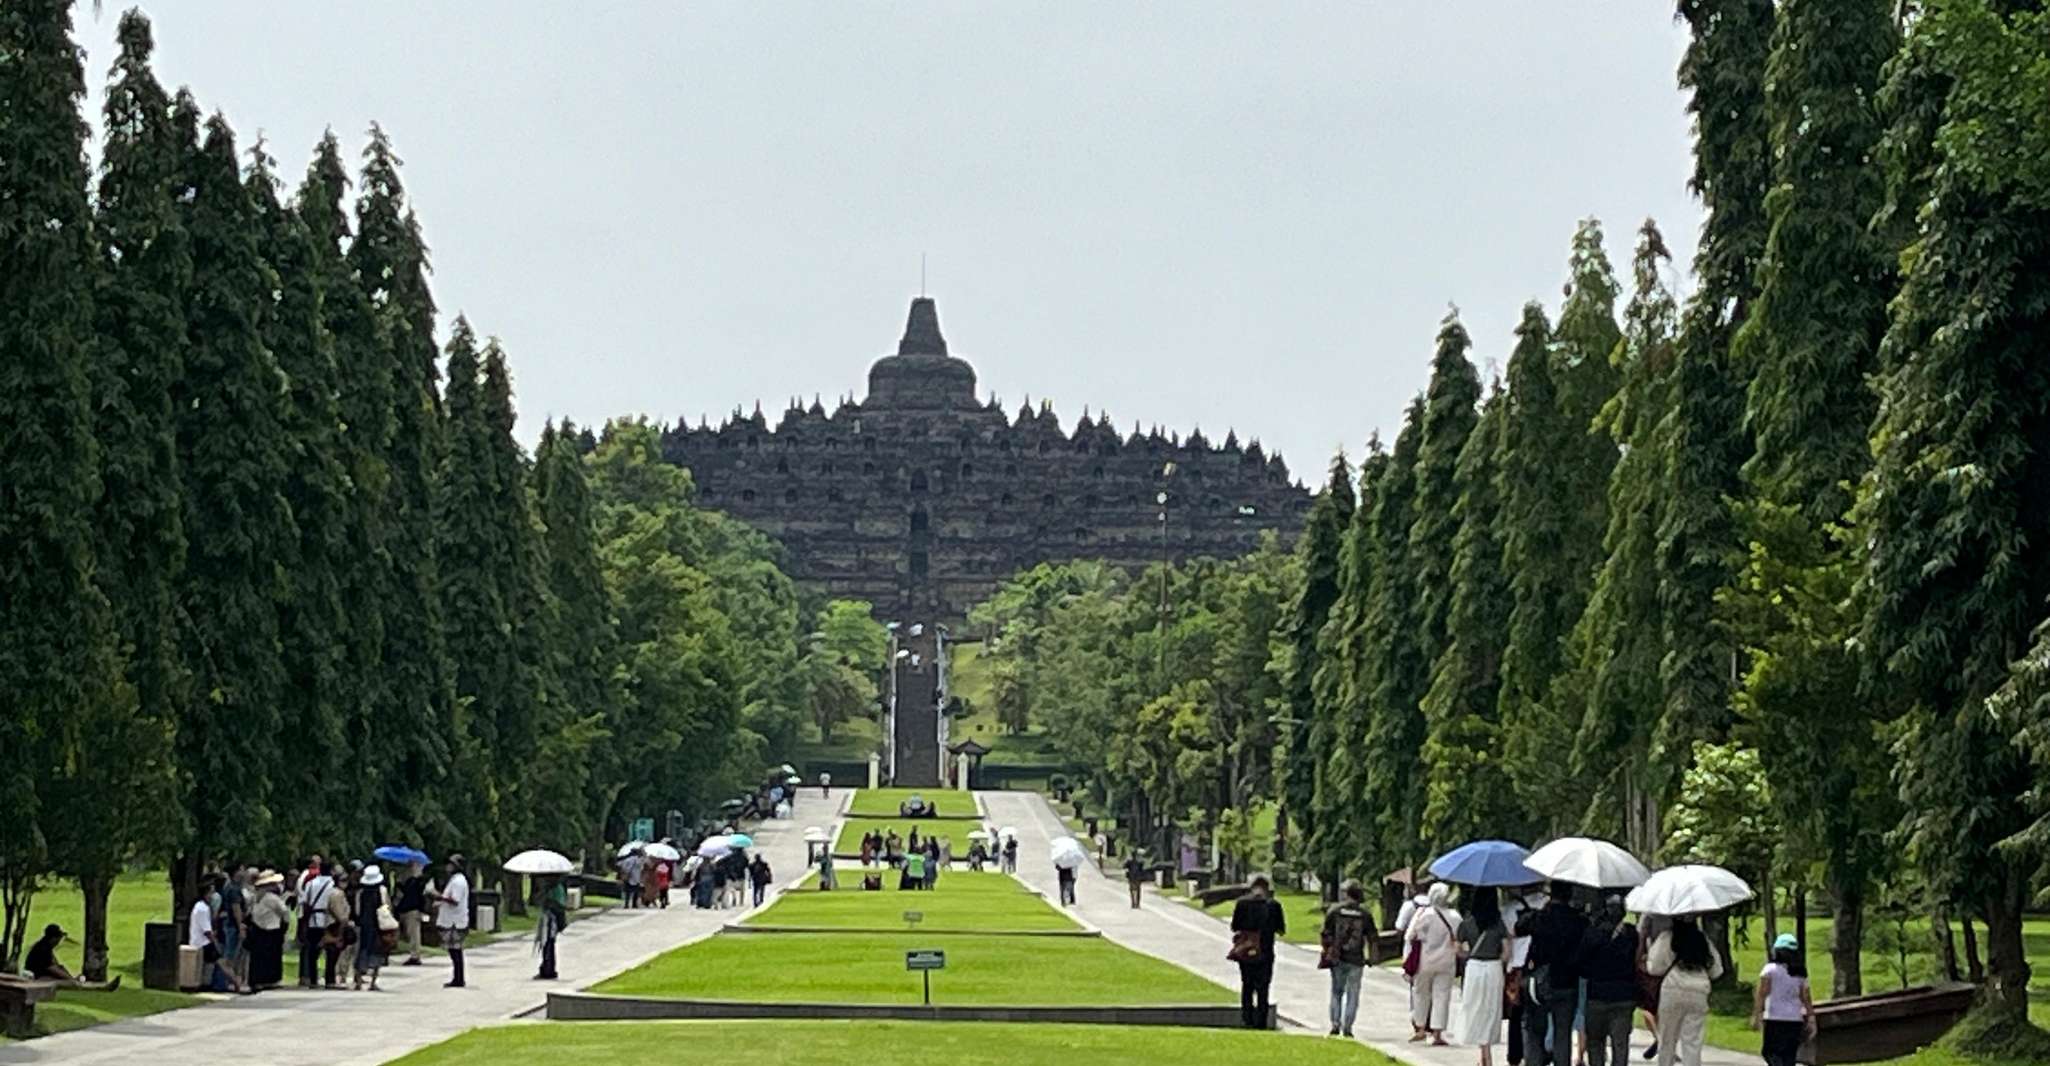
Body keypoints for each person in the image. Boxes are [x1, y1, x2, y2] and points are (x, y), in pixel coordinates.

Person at [1644, 917, 1723, 1066]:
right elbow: (1717, 970)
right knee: (1693, 1041)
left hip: (1673, 988)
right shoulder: (1702, 939)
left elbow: (1654, 968)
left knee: (1667, 1039)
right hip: (1699, 989)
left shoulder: (1668, 937)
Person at [1527, 882, 1591, 1066]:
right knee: (1562, 1032)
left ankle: (1535, 1061)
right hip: (1567, 980)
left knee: (1536, 1030)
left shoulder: (1541, 917)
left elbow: (1522, 928)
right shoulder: (1579, 921)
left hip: (1541, 979)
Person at [1578, 895, 1640, 1066]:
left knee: (1595, 1042)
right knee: (1620, 1043)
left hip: (1597, 995)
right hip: (1624, 995)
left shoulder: (1593, 934)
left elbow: (1581, 963)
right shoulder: (1631, 934)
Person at [1457, 887, 1511, 1063]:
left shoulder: (1467, 923)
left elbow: (1457, 949)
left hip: (1474, 967)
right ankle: (1486, 1048)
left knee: (1474, 1007)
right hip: (1493, 966)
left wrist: (1469, 956)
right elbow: (1506, 952)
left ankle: (1483, 1052)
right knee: (1491, 1008)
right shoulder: (1498, 923)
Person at [1405, 881, 1462, 1046]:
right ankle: (1437, 1033)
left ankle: (1420, 1028)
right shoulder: (1455, 916)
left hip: (1425, 960)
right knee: (1442, 996)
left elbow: (1410, 935)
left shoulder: (1425, 914)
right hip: (1447, 960)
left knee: (1421, 993)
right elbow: (1459, 936)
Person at [1229, 874, 1286, 1029]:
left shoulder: (1242, 904)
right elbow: (1281, 929)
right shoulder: (1273, 905)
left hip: (1245, 950)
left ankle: (1247, 1018)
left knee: (1247, 984)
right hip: (1266, 950)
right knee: (1263, 987)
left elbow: (1234, 926)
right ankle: (1261, 1020)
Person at [1320, 880, 1373, 1038]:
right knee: (1353, 993)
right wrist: (1372, 957)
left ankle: (1335, 1023)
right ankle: (1348, 1026)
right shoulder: (1364, 914)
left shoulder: (1334, 911)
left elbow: (1325, 933)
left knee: (1336, 991)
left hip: (1337, 957)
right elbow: (1372, 937)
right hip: (1356, 959)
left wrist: (1327, 950)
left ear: (1346, 893)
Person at [1752, 933, 1813, 1066]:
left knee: (1770, 1052)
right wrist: (1811, 1017)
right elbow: (1805, 997)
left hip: (1774, 1018)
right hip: (1795, 1019)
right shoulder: (1800, 972)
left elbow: (1762, 993)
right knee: (1789, 1056)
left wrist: (1757, 1014)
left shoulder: (1770, 969)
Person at [23, 924, 121, 990]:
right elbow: (53, 969)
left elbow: (56, 965)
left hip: (44, 975)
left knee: (67, 978)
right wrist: (71, 981)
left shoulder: (46, 947)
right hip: (38, 978)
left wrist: (70, 978)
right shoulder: (42, 949)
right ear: (53, 938)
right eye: (58, 938)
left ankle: (99, 986)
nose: (59, 941)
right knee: (66, 984)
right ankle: (100, 987)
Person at [429, 854, 471, 988]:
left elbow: (455, 901)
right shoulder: (455, 880)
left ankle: (459, 978)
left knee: (455, 951)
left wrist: (437, 895)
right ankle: (457, 977)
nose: (447, 867)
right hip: (453, 919)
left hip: (455, 921)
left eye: (451, 865)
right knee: (453, 951)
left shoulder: (458, 881)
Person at [297, 860, 338, 989]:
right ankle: (329, 979)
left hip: (313, 919)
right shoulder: (333, 884)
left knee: (313, 952)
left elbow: (305, 902)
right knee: (331, 950)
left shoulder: (310, 883)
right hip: (329, 919)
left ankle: (313, 979)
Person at [247, 872, 290, 989]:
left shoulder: (255, 897)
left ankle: (258, 980)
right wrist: (285, 925)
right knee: (271, 957)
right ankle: (270, 979)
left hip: (257, 929)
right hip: (271, 929)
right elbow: (285, 912)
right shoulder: (272, 898)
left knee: (259, 957)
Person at [351, 865, 390, 991]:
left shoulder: (360, 892)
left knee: (361, 951)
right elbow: (385, 907)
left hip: (363, 925)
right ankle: (373, 981)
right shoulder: (382, 890)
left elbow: (357, 910)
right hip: (378, 925)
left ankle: (358, 981)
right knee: (377, 951)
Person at [323, 865, 354, 989]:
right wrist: (341, 932)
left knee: (334, 954)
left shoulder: (334, 892)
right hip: (335, 926)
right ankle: (331, 979)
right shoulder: (337, 894)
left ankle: (331, 979)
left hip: (335, 924)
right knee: (333, 953)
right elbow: (340, 914)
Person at [394, 862, 430, 966]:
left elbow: (418, 896)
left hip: (413, 909)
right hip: (405, 908)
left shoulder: (419, 882)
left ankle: (415, 955)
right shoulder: (408, 881)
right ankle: (413, 953)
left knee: (413, 933)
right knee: (409, 933)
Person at [187, 880, 220, 990]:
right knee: (219, 961)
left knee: (211, 963)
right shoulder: (202, 908)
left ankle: (208, 982)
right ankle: (207, 984)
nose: (213, 895)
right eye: (212, 892)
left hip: (204, 940)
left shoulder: (204, 906)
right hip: (202, 942)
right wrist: (215, 942)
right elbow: (207, 931)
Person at [536, 876, 568, 981]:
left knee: (549, 945)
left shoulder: (557, 889)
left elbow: (560, 905)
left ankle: (549, 969)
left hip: (552, 921)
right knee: (545, 945)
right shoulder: (549, 889)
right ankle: (546, 967)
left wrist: (548, 901)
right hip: (546, 921)